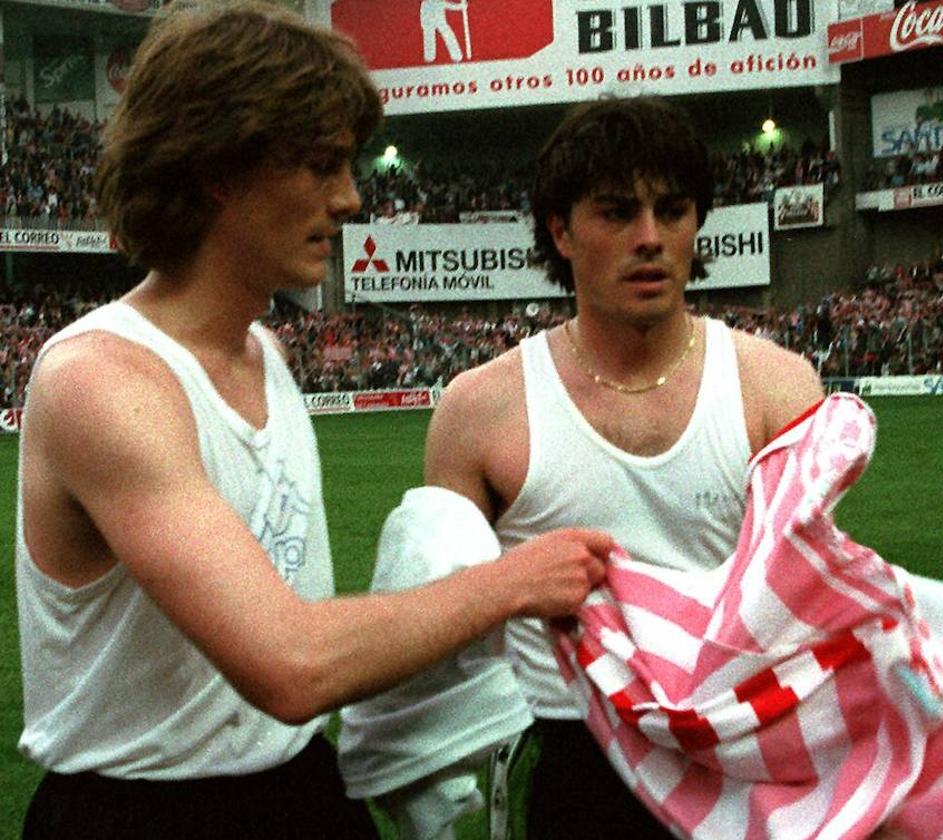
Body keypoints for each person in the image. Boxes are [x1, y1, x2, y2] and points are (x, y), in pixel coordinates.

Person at [15, 3, 610, 838]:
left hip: (299, 787)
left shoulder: (266, 350)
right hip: (145, 812)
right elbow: (290, 664)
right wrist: (513, 580)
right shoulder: (104, 380)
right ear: (223, 166)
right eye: (323, 165)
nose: (350, 198)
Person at [424, 96, 825, 838]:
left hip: (739, 761)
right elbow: (449, 628)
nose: (651, 239)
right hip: (572, 765)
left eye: (672, 211)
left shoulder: (778, 387)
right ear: (560, 231)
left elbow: (806, 608)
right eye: (616, 213)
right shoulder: (480, 410)